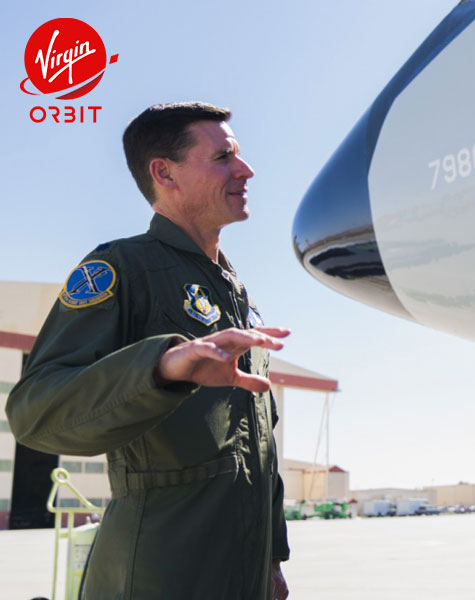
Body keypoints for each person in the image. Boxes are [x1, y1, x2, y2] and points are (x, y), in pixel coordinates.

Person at [7, 102, 291, 600]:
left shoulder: (235, 291)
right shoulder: (123, 268)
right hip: (160, 570)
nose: (245, 170)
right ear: (164, 173)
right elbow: (35, 413)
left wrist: (271, 558)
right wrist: (159, 369)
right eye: (224, 156)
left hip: (242, 571)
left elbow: (258, 443)